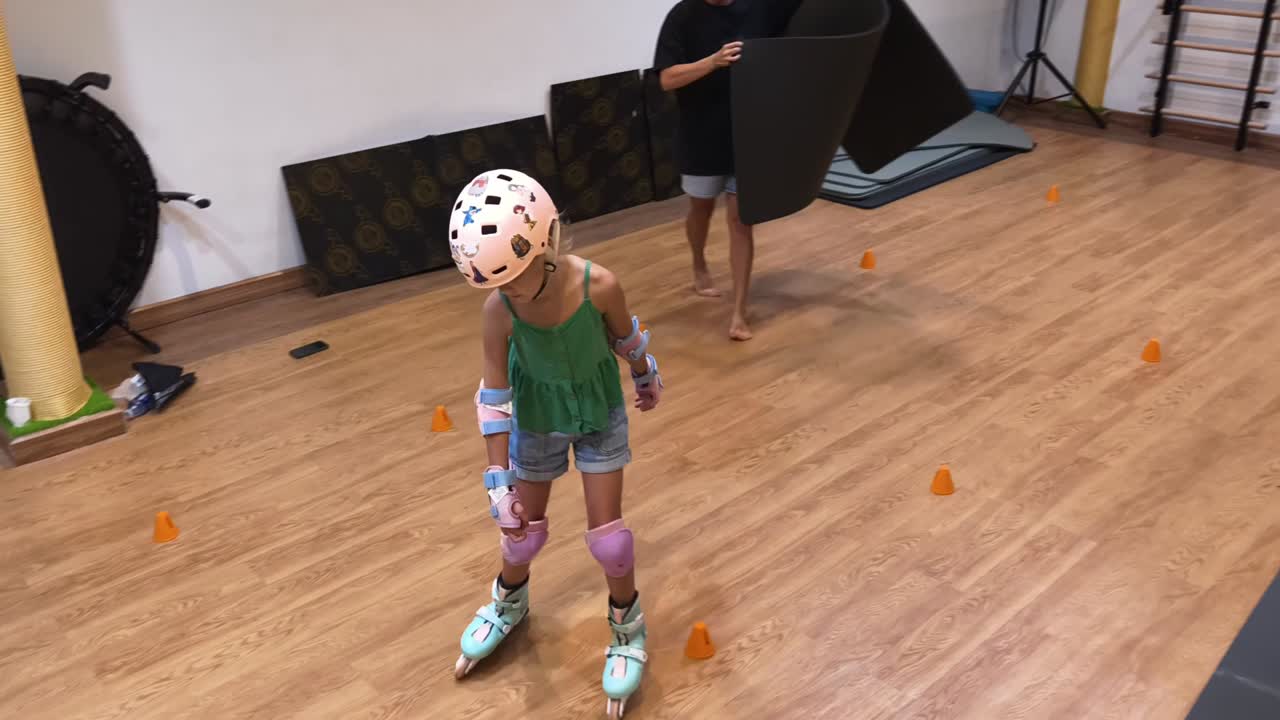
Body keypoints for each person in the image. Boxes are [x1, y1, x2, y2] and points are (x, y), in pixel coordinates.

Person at [448, 169, 663, 720]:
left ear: (544, 242)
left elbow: (625, 336)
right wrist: (498, 484)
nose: (510, 289)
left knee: (610, 540)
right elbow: (494, 395)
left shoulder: (600, 284)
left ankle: (626, 626)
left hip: (598, 413)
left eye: (517, 275)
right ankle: (509, 601)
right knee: (519, 534)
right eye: (498, 281)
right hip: (538, 419)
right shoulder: (500, 309)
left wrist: (644, 373)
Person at [653, 0, 792, 341]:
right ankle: (699, 264)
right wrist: (713, 62)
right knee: (700, 209)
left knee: (741, 220)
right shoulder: (682, 16)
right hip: (702, 135)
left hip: (750, 135)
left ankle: (739, 312)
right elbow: (667, 79)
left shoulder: (764, 8)